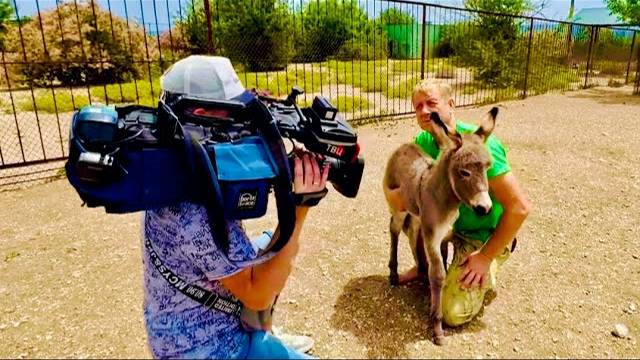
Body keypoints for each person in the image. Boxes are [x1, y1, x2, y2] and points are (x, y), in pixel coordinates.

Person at [142, 56, 328, 359]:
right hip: (208, 349)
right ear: (203, 115)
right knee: (272, 260)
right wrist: (300, 206)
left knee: (268, 241)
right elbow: (258, 295)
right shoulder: (194, 210)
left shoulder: (175, 166)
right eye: (234, 114)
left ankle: (264, 333)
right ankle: (259, 343)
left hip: (171, 324)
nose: (242, 124)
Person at [387, 79, 532, 327]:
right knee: (414, 217)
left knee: (452, 313)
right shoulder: (422, 143)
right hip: (448, 224)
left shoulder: (482, 147)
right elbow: (400, 193)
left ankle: (494, 258)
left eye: (431, 103)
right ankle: (423, 267)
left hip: (481, 233)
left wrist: (486, 256)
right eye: (418, 106)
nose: (424, 111)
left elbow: (520, 207)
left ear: (451, 104)